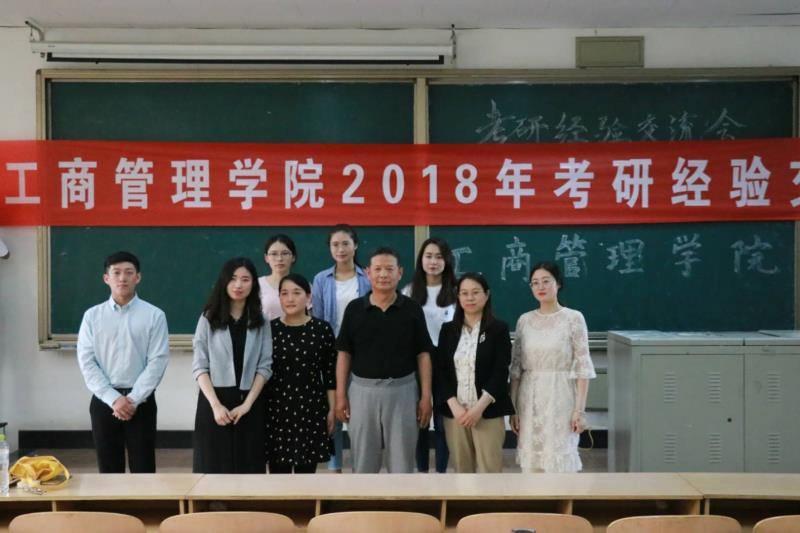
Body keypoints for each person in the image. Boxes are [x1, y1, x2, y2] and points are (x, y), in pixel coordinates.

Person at [335, 247, 433, 473]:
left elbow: (423, 354)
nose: (383, 274)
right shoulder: (355, 309)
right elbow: (344, 353)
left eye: (389, 269)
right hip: (362, 392)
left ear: (400, 273)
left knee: (402, 463)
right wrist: (341, 395)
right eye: (378, 269)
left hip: (403, 391)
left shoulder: (412, 309)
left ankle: (401, 498)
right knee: (363, 463)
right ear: (368, 273)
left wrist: (426, 396)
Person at [77, 251, 169, 473]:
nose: (122, 278)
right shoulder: (92, 316)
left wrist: (133, 399)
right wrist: (113, 398)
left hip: (141, 403)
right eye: (116, 273)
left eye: (128, 272)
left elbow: (157, 361)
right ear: (106, 278)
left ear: (138, 277)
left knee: (144, 469)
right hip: (104, 401)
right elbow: (87, 361)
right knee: (108, 470)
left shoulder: (154, 315)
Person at [510, 261, 596, 473]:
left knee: (560, 461)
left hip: (561, 396)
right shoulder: (524, 321)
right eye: (535, 282)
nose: (540, 287)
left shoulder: (573, 318)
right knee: (532, 464)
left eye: (546, 281)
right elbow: (516, 370)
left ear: (558, 284)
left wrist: (579, 411)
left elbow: (583, 367)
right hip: (529, 399)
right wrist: (513, 409)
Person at [192, 257, 272, 473]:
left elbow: (265, 367)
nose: (238, 285)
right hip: (215, 401)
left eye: (245, 279)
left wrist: (247, 405)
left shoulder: (261, 321)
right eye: (233, 279)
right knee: (212, 467)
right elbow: (199, 366)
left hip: (249, 402)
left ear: (253, 284)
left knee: (249, 467)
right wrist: (215, 405)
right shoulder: (208, 318)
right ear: (224, 282)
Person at [435, 273, 514, 473]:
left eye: (475, 292)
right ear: (458, 297)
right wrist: (454, 406)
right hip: (456, 414)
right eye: (464, 293)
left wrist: (478, 409)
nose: (469, 298)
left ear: (486, 295)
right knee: (462, 471)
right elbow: (441, 371)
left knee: (490, 471)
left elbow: (500, 371)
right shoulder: (448, 330)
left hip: (487, 412)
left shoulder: (498, 329)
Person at [311, 224, 370, 472]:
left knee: (360, 413)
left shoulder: (368, 277)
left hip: (363, 353)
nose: (341, 249)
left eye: (346, 243)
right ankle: (334, 467)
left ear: (355, 245)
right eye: (335, 244)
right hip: (332, 352)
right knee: (334, 409)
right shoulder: (321, 279)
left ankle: (360, 465)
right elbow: (318, 318)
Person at [265, 273, 336, 474]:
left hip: (311, 409)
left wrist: (332, 409)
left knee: (306, 474)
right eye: (284, 293)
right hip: (276, 409)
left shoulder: (322, 329)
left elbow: (330, 374)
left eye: (297, 293)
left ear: (309, 297)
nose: (290, 299)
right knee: (278, 474)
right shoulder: (269, 330)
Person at [402, 237, 456, 473]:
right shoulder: (409, 291)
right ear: (420, 260)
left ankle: (441, 472)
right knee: (420, 418)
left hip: (447, 361)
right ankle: (422, 471)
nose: (433, 262)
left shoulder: (456, 291)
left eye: (439, 257)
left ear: (447, 261)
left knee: (443, 421)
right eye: (428, 256)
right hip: (417, 360)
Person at [258, 234, 297, 320]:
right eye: (274, 254)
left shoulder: (303, 285)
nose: (279, 258)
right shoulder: (257, 284)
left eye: (285, 253)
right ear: (266, 258)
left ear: (293, 257)